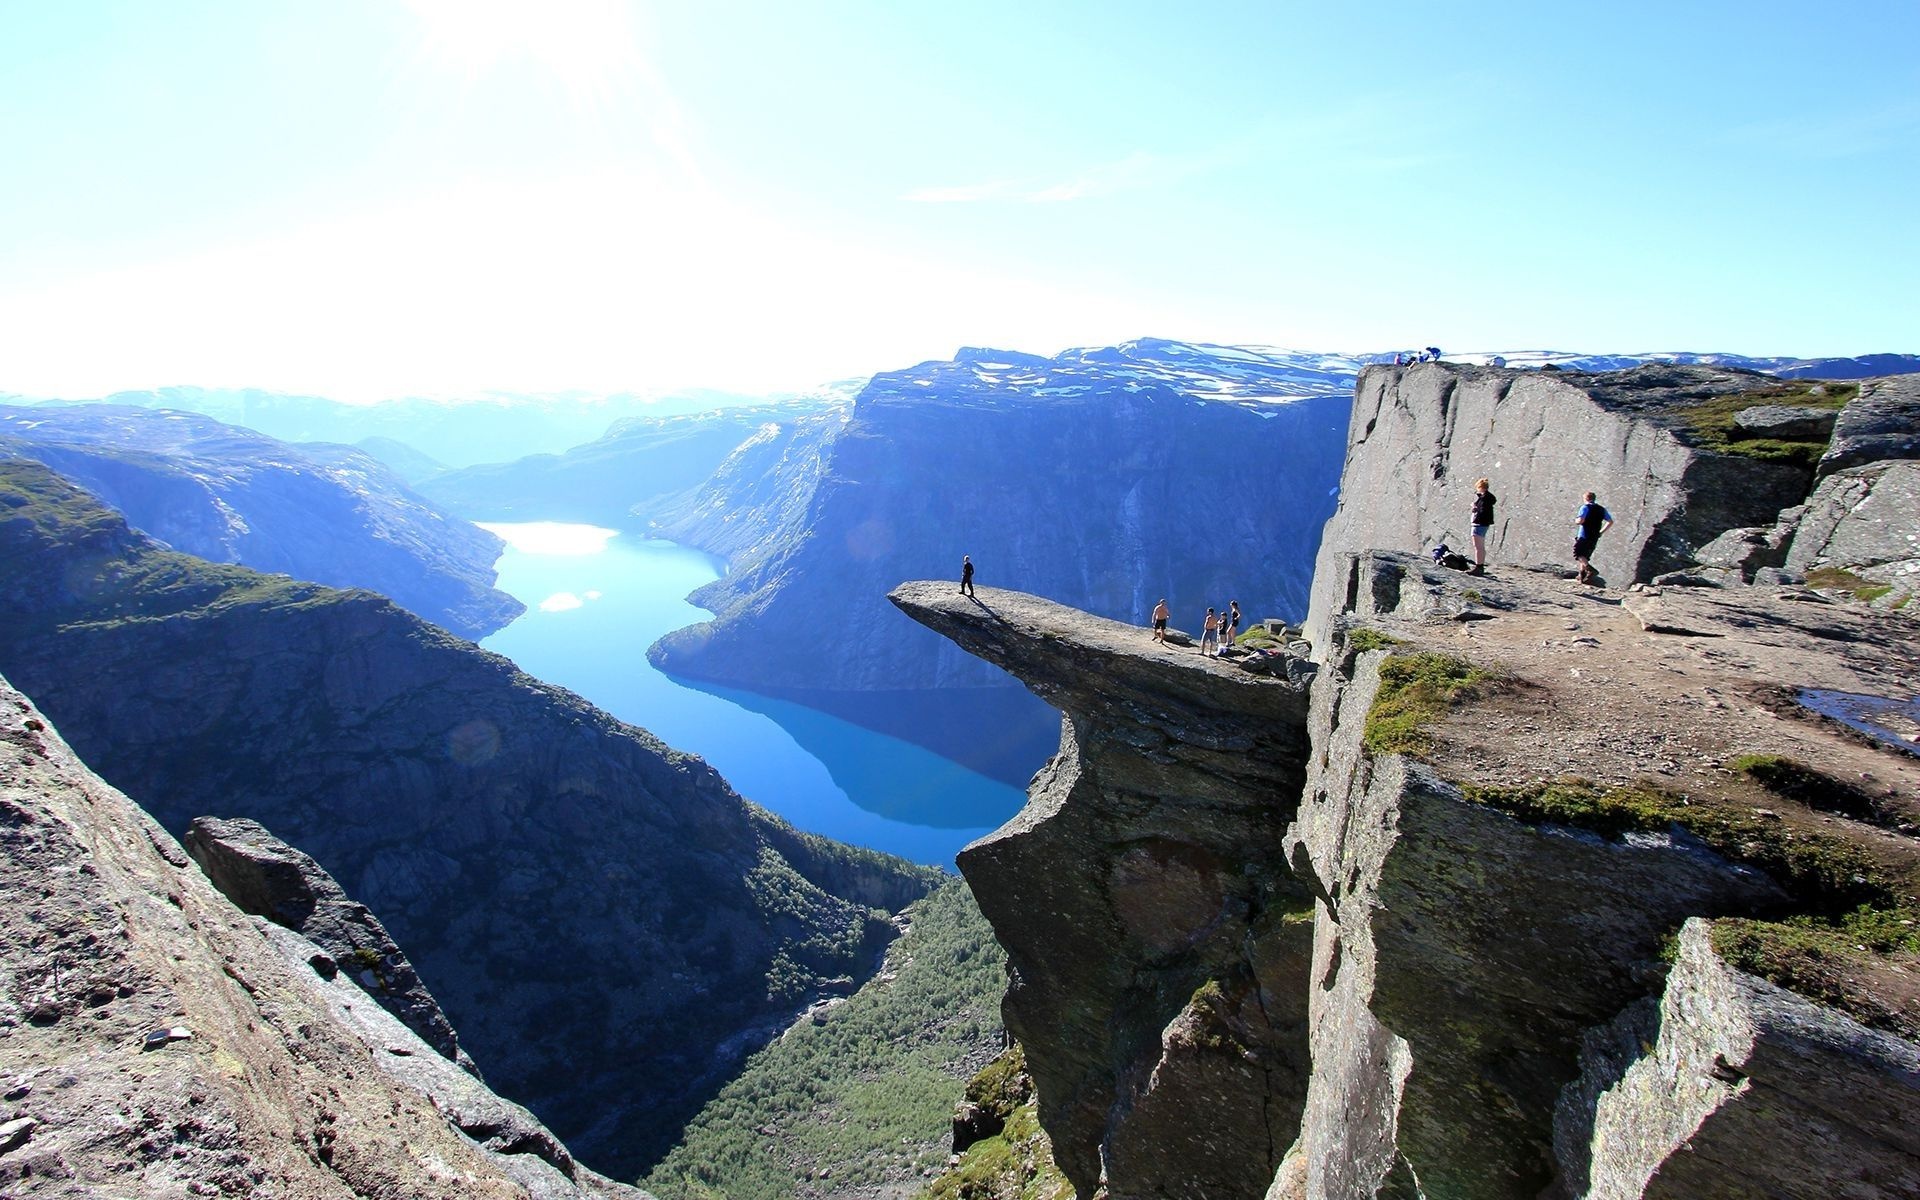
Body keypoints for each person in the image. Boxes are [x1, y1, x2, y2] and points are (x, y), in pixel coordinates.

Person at [1573, 493, 1613, 584]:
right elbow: (1610, 521)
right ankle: (1582, 576)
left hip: (1584, 534)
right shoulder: (1601, 509)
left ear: (1585, 498)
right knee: (1585, 555)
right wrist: (1601, 532)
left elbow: (1580, 521)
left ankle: (1590, 570)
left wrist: (1576, 521)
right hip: (1594, 536)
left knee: (1578, 553)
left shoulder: (1585, 507)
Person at [1470, 478, 1496, 575]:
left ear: (1481, 487)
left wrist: (1475, 508)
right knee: (1480, 547)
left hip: (1479, 524)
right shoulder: (1488, 498)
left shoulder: (1484, 499)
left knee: (1478, 547)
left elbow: (1482, 512)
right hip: (1483, 524)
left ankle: (1479, 567)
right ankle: (1480, 566)